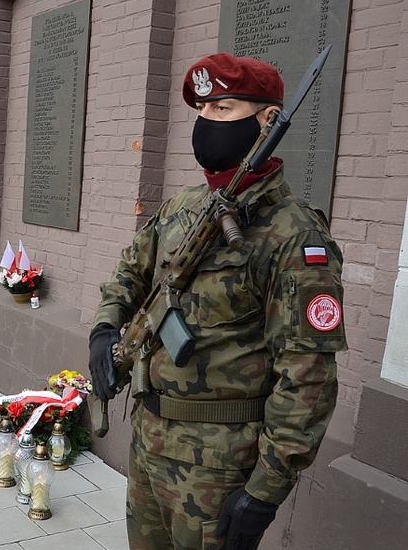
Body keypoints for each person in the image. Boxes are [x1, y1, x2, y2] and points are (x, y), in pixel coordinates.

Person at [88, 53, 347, 550]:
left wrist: (266, 489)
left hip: (219, 464)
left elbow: (307, 373)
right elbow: (130, 270)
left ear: (268, 120)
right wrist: (105, 328)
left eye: (224, 109)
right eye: (202, 111)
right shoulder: (183, 207)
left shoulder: (293, 233)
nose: (208, 124)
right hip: (149, 443)